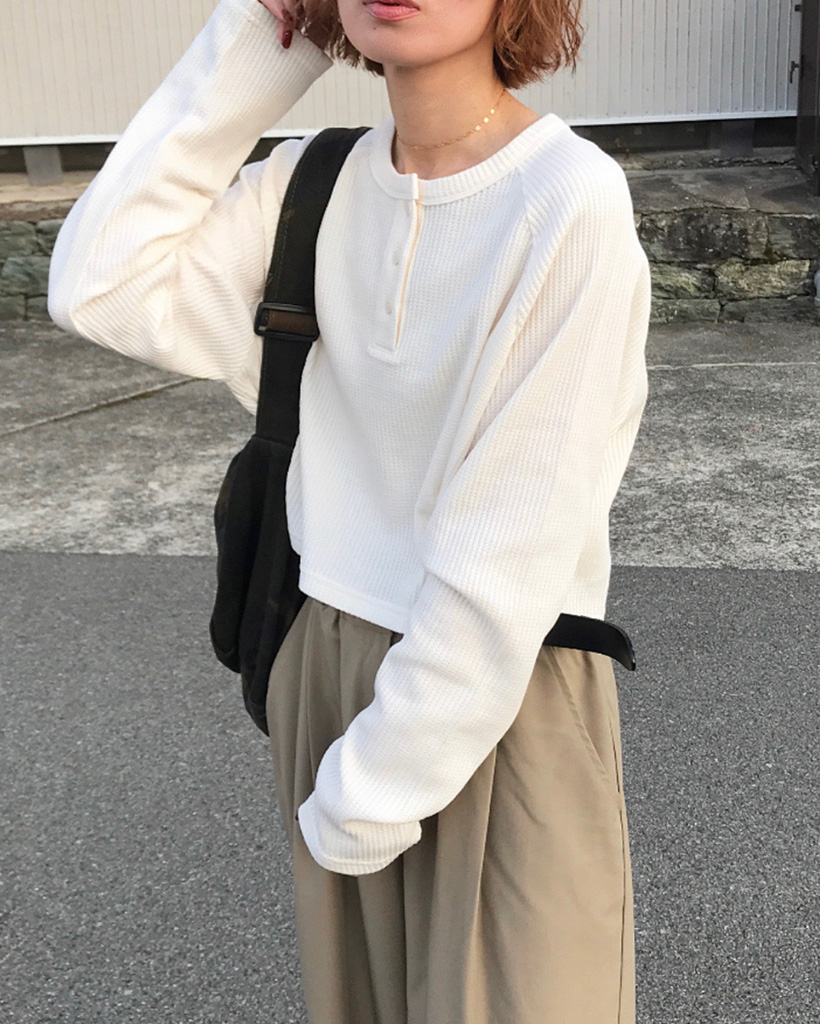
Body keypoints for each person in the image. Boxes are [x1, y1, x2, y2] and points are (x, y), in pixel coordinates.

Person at [48, 0, 652, 1020]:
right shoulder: (313, 184)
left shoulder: (564, 196)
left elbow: (518, 534)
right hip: (320, 652)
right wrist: (257, 41)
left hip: (505, 684)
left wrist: (379, 782)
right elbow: (99, 288)